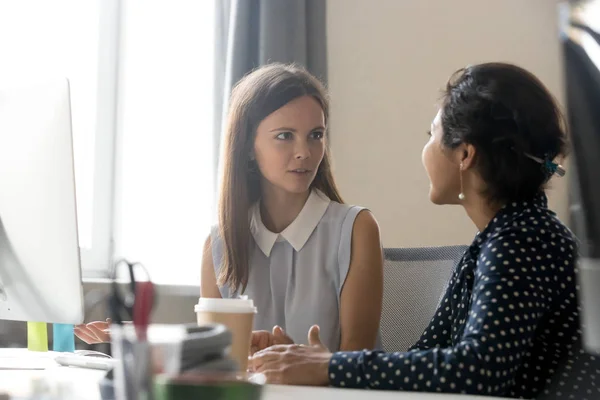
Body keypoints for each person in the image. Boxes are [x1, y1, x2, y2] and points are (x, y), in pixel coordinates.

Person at [249, 63, 582, 399]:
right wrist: (309, 362)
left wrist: (330, 367)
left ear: (465, 154)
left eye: (431, 136)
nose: (425, 151)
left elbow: (477, 372)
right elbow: (420, 363)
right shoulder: (497, 242)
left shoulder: (524, 240)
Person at [75, 63, 384, 354]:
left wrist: (301, 365)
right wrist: (140, 336)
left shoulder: (356, 230)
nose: (304, 152)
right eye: (285, 136)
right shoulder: (218, 247)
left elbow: (356, 363)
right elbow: (216, 360)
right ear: (249, 146)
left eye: (315, 135)